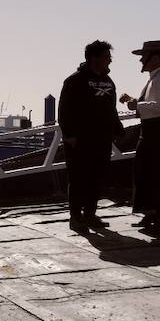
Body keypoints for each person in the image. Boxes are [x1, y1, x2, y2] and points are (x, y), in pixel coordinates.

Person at [58, 40, 124, 231]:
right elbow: (64, 110)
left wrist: (118, 129)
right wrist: (69, 134)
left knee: (97, 178)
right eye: (106, 57)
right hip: (79, 140)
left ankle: (90, 214)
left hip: (102, 139)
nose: (109, 60)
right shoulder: (74, 81)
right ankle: (76, 217)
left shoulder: (108, 82)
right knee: (79, 178)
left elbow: (112, 109)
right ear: (93, 58)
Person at [121, 40, 160, 234]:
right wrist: (136, 102)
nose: (140, 60)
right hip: (152, 132)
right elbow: (156, 104)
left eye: (143, 56)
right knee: (146, 173)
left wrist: (136, 106)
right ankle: (153, 213)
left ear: (154, 57)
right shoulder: (157, 77)